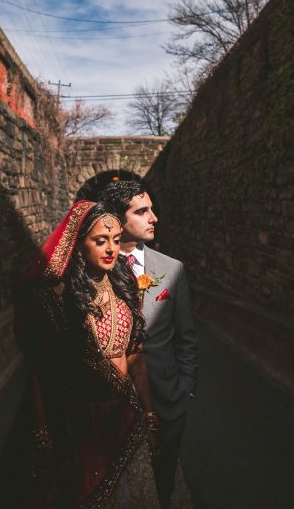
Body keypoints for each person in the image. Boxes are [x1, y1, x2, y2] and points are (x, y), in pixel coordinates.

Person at [15, 200, 161, 508]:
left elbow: (136, 357)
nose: (110, 249)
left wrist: (149, 414)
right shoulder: (56, 300)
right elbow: (40, 370)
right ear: (79, 245)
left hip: (126, 415)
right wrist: (41, 433)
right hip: (79, 424)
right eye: (100, 240)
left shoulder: (125, 287)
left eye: (116, 241)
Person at [100, 180, 198, 509]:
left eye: (152, 209)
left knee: (163, 482)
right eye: (142, 211)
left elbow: (186, 339)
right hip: (112, 406)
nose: (154, 217)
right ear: (117, 218)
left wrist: (185, 389)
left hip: (167, 400)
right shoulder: (97, 270)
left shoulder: (172, 270)